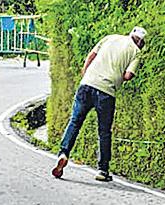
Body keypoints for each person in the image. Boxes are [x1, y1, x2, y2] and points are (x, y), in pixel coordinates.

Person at [52, 26, 146, 183]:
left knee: (75, 121)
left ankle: (63, 153)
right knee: (104, 131)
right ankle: (102, 170)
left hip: (87, 84)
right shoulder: (136, 52)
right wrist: (119, 77)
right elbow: (128, 75)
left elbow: (91, 56)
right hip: (106, 92)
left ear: (130, 34)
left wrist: (85, 75)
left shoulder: (110, 37)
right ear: (141, 42)